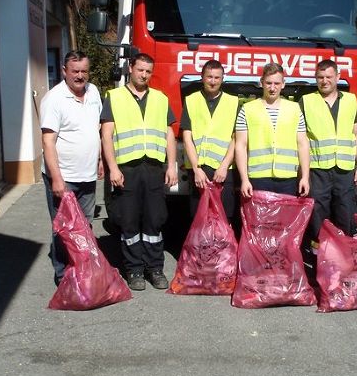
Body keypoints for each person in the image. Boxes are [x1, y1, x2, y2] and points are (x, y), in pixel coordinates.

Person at [101, 54, 178, 291]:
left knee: (155, 220)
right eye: (140, 70)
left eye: (148, 71)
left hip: (154, 168)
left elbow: (168, 134)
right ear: (130, 68)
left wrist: (172, 165)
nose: (143, 75)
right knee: (130, 221)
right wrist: (112, 168)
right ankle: (134, 269)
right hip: (127, 169)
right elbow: (106, 135)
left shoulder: (160, 98)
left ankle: (154, 268)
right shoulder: (114, 97)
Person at [39, 51, 103, 286]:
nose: (79, 76)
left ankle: (81, 270)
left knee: (85, 226)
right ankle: (63, 276)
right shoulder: (54, 99)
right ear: (64, 71)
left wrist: (99, 160)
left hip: (87, 175)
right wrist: (56, 179)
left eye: (84, 71)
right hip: (63, 177)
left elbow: (94, 130)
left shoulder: (94, 92)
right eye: (74, 71)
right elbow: (48, 141)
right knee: (63, 228)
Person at [300, 59, 357, 246]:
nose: (324, 81)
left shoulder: (351, 100)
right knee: (317, 213)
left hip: (344, 169)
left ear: (337, 77)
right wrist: (303, 173)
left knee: (345, 212)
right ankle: (318, 254)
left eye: (329, 76)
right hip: (318, 169)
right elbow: (301, 139)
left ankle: (343, 253)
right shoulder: (307, 101)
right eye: (320, 77)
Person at [235, 63, 310, 199]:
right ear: (261, 83)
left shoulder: (294, 109)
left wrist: (304, 177)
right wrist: (244, 179)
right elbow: (240, 145)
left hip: (288, 178)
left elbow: (302, 144)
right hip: (258, 177)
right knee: (259, 220)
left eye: (276, 83)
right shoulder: (247, 109)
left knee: (285, 220)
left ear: (283, 84)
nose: (272, 88)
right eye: (268, 83)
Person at [180, 59, 238, 221]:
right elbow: (187, 138)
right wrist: (196, 169)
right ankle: (201, 247)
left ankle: (222, 247)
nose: (213, 81)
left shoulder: (233, 102)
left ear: (222, 79)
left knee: (224, 216)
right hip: (200, 170)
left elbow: (236, 139)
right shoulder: (191, 100)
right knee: (199, 216)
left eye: (217, 78)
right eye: (209, 77)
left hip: (223, 170)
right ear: (202, 77)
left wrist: (224, 166)